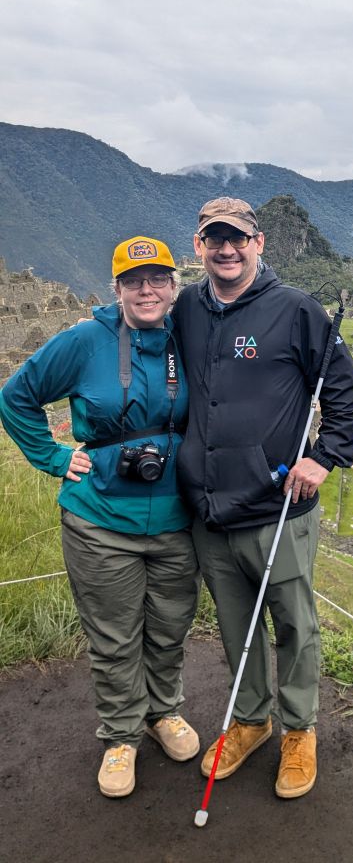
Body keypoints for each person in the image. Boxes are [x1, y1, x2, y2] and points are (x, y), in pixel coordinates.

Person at [172, 196, 353, 799]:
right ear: (199, 246)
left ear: (259, 243)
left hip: (276, 507)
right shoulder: (186, 309)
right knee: (236, 626)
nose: (225, 249)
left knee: (293, 624)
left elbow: (345, 394)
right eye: (214, 239)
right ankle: (251, 720)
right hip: (209, 509)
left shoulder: (296, 311)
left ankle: (299, 730)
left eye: (237, 238)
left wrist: (324, 456)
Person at [0, 237, 200, 798]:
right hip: (100, 520)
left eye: (157, 279)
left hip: (178, 520)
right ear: (117, 288)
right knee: (114, 636)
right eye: (134, 280)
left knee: (169, 629)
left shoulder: (188, 341)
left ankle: (164, 713)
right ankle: (120, 736)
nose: (146, 289)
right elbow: (17, 397)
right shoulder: (86, 341)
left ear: (171, 286)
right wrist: (55, 457)